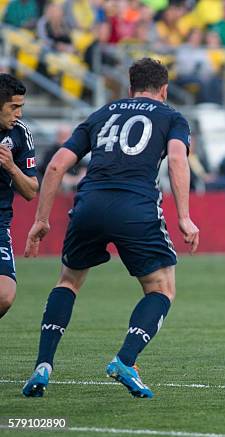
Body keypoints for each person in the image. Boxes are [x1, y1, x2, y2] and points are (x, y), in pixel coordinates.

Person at [22, 58, 199, 398]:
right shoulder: (172, 117)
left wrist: (41, 221)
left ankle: (43, 364)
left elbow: (57, 164)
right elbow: (177, 159)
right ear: (164, 89)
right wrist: (184, 216)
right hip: (135, 207)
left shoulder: (102, 113)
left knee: (68, 281)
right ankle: (125, 360)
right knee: (161, 288)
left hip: (88, 204)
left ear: (131, 88)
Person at [0, 74, 39, 319]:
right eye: (14, 107)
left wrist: (11, 167)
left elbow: (31, 191)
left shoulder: (20, 134)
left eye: (21, 107)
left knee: (4, 296)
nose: (19, 114)